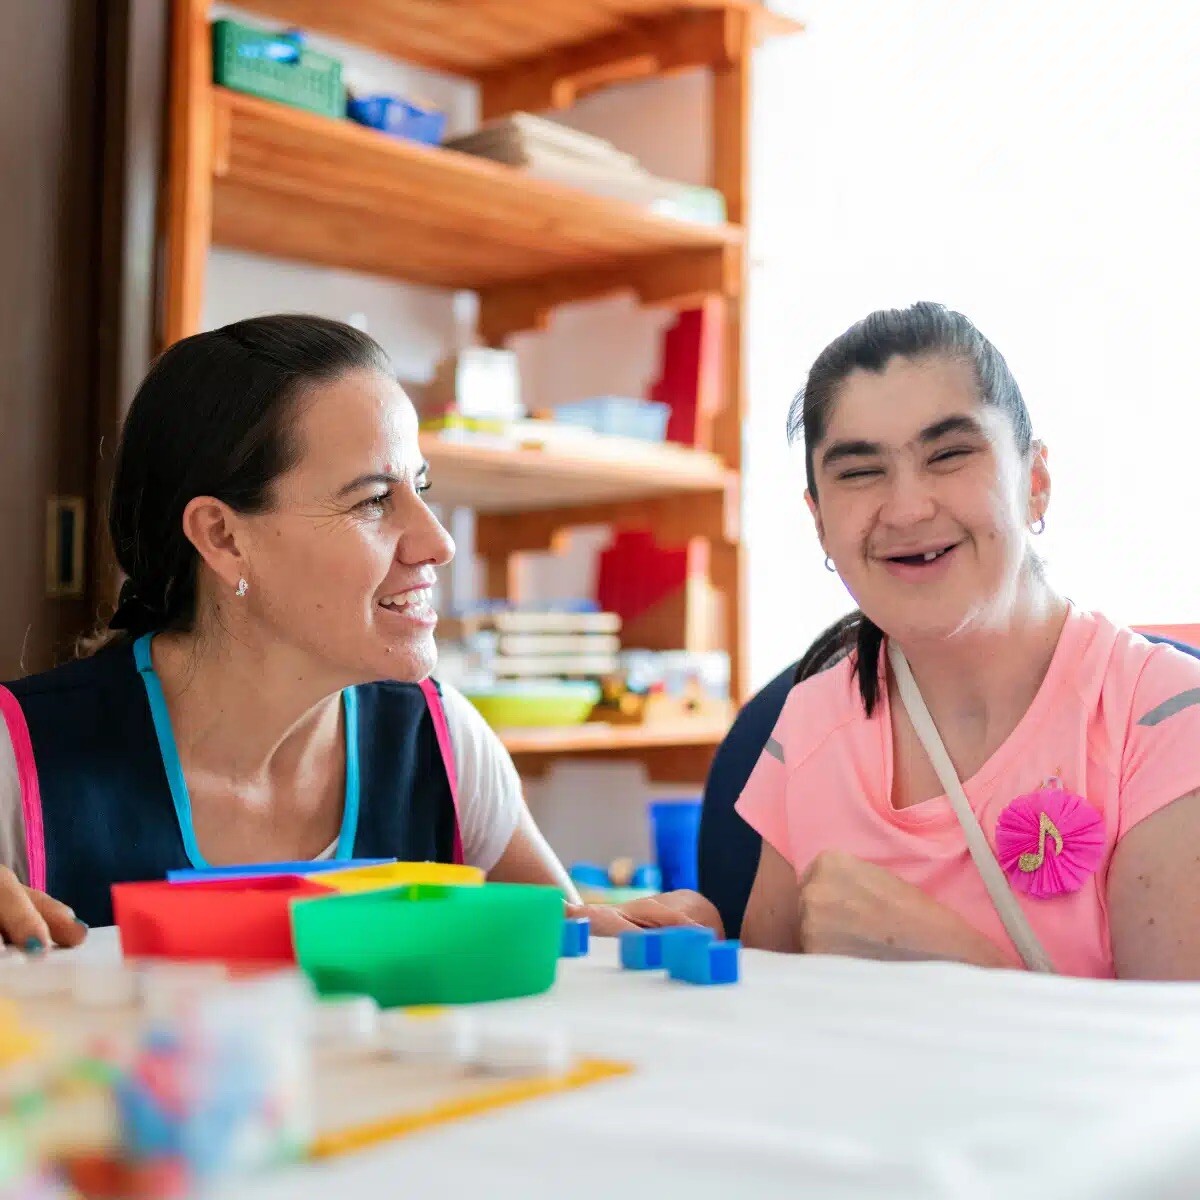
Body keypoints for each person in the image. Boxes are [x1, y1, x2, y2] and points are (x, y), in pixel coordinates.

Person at [0, 315, 720, 947]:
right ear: (221, 537)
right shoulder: (19, 760)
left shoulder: (442, 742)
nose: (437, 542)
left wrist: (617, 943)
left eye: (421, 490)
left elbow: (557, 953)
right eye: (374, 500)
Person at [738, 302, 1200, 980]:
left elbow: (1172, 1074)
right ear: (818, 522)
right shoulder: (808, 726)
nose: (907, 508)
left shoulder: (1163, 724)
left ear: (1035, 482)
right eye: (860, 472)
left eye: (950, 454)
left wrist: (957, 964)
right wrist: (689, 946)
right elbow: (760, 1023)